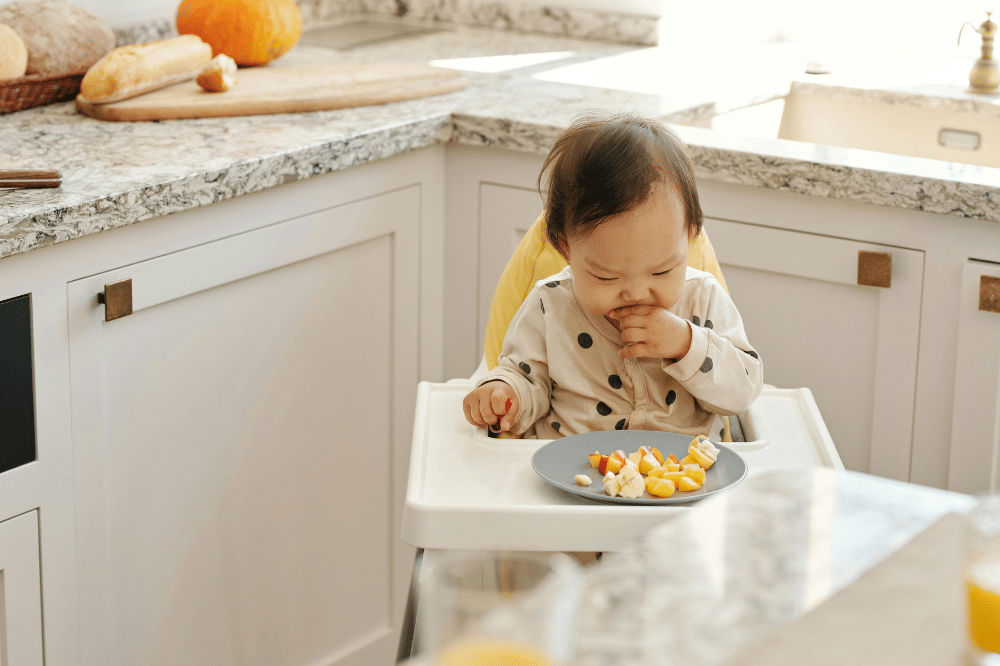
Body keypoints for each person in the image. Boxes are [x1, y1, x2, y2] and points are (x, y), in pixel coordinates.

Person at [463, 112, 763, 438]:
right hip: (572, 473)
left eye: (662, 271)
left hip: (683, 479)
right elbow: (524, 377)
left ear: (689, 235)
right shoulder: (549, 305)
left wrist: (686, 344)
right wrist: (505, 394)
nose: (636, 292)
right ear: (566, 247)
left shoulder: (703, 298)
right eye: (607, 277)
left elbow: (744, 390)